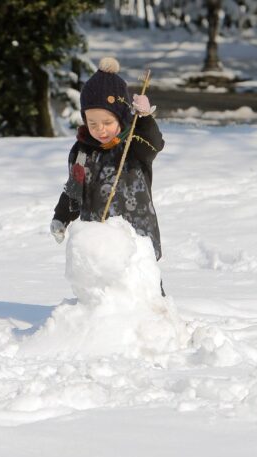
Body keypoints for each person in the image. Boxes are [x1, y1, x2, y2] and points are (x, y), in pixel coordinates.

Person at [50, 57, 166, 295]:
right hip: (98, 239)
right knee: (102, 292)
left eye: (107, 121)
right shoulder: (82, 151)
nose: (99, 128)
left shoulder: (133, 146)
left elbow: (154, 145)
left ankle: (157, 323)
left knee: (143, 287)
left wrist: (143, 119)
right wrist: (61, 216)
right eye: (92, 122)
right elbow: (74, 188)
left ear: (121, 117)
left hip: (135, 236)